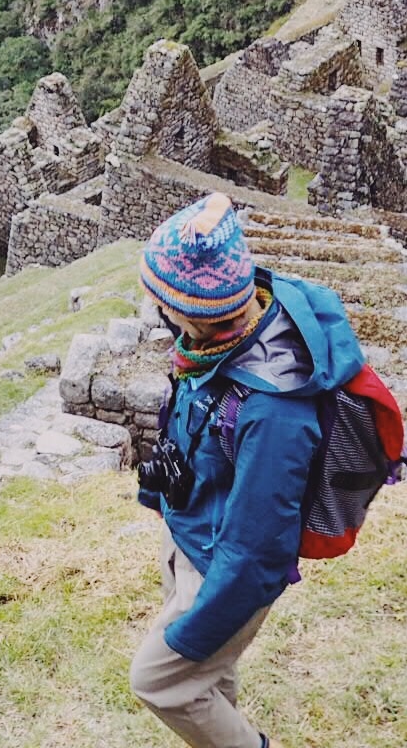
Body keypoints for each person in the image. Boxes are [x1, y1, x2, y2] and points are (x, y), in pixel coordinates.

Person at [129, 191, 367, 748]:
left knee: (160, 681)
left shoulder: (274, 410)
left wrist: (197, 629)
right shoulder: (218, 342)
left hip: (221, 571)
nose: (155, 309)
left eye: (161, 300)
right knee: (208, 680)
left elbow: (258, 549)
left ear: (190, 310)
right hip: (194, 534)